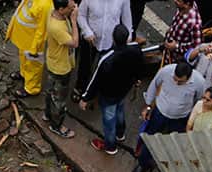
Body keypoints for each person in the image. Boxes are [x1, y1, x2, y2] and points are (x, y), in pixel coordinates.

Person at [130, 60, 204, 172]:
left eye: (180, 81)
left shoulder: (199, 82)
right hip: (160, 113)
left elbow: (199, 100)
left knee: (174, 143)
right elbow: (154, 85)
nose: (176, 82)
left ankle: (167, 169)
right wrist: (148, 106)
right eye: (175, 79)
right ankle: (142, 164)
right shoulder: (166, 71)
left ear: (188, 77)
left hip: (180, 118)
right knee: (150, 139)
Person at [79, 24, 141, 154]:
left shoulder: (107, 59)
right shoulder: (135, 49)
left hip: (109, 94)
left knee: (109, 120)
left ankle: (110, 146)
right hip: (124, 90)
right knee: (119, 111)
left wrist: (85, 98)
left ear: (113, 38)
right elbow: (140, 66)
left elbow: (95, 80)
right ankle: (120, 133)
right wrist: (136, 79)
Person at [75, 0, 131, 93]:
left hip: (110, 42)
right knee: (85, 65)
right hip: (90, 41)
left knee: (106, 68)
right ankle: (80, 86)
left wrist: (127, 38)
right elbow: (81, 15)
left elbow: (127, 20)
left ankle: (96, 90)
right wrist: (87, 31)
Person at [44, 0, 80, 139]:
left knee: (50, 91)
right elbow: (75, 43)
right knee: (59, 99)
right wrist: (74, 21)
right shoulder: (57, 28)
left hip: (54, 60)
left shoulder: (55, 14)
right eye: (70, 7)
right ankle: (56, 125)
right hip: (60, 67)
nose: (73, 8)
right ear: (61, 9)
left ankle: (47, 114)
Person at [7, 0, 52, 97]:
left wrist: (34, 48)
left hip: (33, 43)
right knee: (23, 58)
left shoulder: (46, 6)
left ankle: (32, 89)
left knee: (34, 66)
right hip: (24, 38)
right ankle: (24, 74)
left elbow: (42, 31)